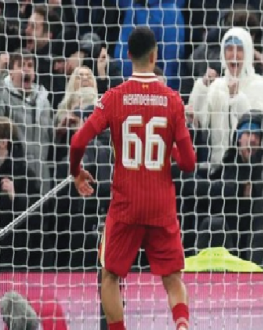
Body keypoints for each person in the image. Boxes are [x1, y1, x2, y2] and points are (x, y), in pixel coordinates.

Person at [68, 27, 196, 330]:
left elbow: (77, 143)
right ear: (154, 56)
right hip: (161, 204)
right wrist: (170, 153)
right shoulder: (173, 100)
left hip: (125, 204)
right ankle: (182, 325)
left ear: (128, 57)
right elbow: (190, 163)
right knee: (173, 278)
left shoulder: (113, 98)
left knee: (110, 275)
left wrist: (76, 172)